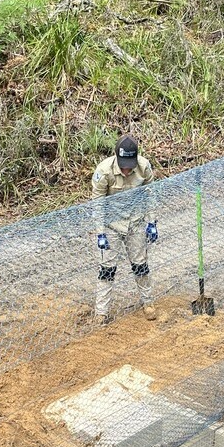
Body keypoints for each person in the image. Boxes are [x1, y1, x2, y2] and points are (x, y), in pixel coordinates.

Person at [92, 134, 158, 325]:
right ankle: (101, 313)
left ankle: (147, 303)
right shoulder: (103, 172)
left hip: (135, 222)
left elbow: (150, 195)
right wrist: (100, 232)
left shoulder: (144, 167)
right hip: (111, 226)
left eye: (130, 164)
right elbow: (97, 204)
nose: (127, 169)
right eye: (123, 165)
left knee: (141, 265)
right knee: (107, 270)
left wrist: (152, 222)